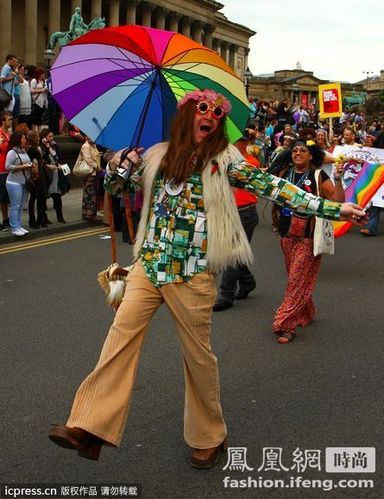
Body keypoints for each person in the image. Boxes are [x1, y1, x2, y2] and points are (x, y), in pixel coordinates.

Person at [48, 89, 365, 467]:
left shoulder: (224, 161)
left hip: (193, 273)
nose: (210, 115)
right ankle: (88, 426)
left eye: (216, 112)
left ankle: (210, 435)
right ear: (186, 116)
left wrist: (334, 208)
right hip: (149, 267)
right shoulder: (156, 156)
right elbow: (116, 190)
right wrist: (122, 167)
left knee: (198, 357)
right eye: (203, 109)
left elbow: (275, 188)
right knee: (119, 341)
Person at [272, 139, 345, 343]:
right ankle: (307, 311)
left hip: (309, 238)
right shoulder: (284, 174)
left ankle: (284, 324)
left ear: (310, 155)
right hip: (287, 236)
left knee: (296, 280)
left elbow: (338, 201)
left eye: (302, 150)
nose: (297, 153)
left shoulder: (318, 175)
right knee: (297, 279)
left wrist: (338, 178)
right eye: (294, 150)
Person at [213, 128, 260, 311]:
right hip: (229, 211)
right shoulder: (224, 159)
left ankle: (226, 294)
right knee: (236, 252)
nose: (233, 143)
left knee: (232, 253)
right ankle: (247, 281)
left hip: (245, 212)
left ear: (246, 143)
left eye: (237, 140)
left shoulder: (250, 162)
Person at [5, 130, 33, 236]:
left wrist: (31, 166)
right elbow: (7, 167)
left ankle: (19, 225)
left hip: (24, 182)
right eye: (23, 138)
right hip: (14, 182)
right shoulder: (12, 152)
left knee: (21, 205)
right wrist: (24, 166)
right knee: (15, 205)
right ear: (17, 140)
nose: (25, 140)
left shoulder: (24, 151)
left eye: (25, 138)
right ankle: (14, 227)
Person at [40, 129, 66, 223]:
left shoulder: (55, 146)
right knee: (44, 197)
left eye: (52, 136)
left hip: (56, 174)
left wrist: (60, 165)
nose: (52, 138)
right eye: (49, 136)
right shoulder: (41, 147)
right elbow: (42, 161)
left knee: (57, 196)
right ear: (44, 137)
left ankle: (60, 216)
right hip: (47, 175)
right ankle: (44, 217)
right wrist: (46, 146)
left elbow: (58, 158)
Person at [27, 129, 48, 228]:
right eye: (37, 137)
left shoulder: (38, 148)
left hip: (41, 173)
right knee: (35, 197)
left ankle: (41, 219)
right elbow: (35, 162)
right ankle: (33, 220)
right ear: (33, 138)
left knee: (41, 197)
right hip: (36, 175)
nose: (39, 139)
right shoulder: (31, 150)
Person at [80, 135, 101, 221]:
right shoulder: (85, 146)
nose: (91, 138)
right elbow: (88, 159)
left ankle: (91, 214)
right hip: (89, 173)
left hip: (94, 173)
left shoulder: (93, 145)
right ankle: (87, 214)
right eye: (89, 137)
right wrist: (97, 167)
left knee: (92, 194)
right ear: (86, 137)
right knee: (89, 193)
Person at [0, 111, 12, 230]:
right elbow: (3, 147)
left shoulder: (8, 134)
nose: (11, 120)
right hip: (1, 169)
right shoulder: (0, 133)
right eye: (9, 119)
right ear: (3, 121)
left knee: (5, 198)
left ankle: (5, 219)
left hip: (8, 169)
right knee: (1, 196)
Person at [30, 68, 48, 133]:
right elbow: (31, 90)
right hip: (36, 102)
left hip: (42, 102)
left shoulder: (44, 81)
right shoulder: (34, 81)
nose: (43, 75)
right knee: (35, 117)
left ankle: (39, 132)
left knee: (40, 118)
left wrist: (46, 90)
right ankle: (34, 132)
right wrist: (41, 90)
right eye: (42, 73)